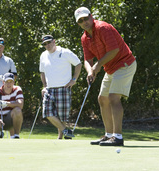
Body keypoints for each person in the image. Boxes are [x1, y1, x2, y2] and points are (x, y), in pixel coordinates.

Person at [74, 7, 137, 146]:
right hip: (110, 68)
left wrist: (96, 67)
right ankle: (109, 135)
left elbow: (113, 50)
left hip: (124, 64)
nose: (84, 22)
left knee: (113, 97)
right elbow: (87, 60)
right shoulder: (85, 38)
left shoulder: (103, 28)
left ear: (91, 16)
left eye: (86, 18)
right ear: (78, 23)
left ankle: (118, 137)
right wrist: (90, 71)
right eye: (80, 21)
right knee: (103, 99)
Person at [39, 35, 82, 139]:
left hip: (64, 88)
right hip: (49, 89)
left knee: (62, 117)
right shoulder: (43, 55)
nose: (47, 45)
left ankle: (60, 137)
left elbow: (78, 64)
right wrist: (44, 86)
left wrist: (74, 79)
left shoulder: (65, 52)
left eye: (49, 42)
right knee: (47, 113)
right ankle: (65, 131)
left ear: (54, 41)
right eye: (45, 44)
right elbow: (42, 72)